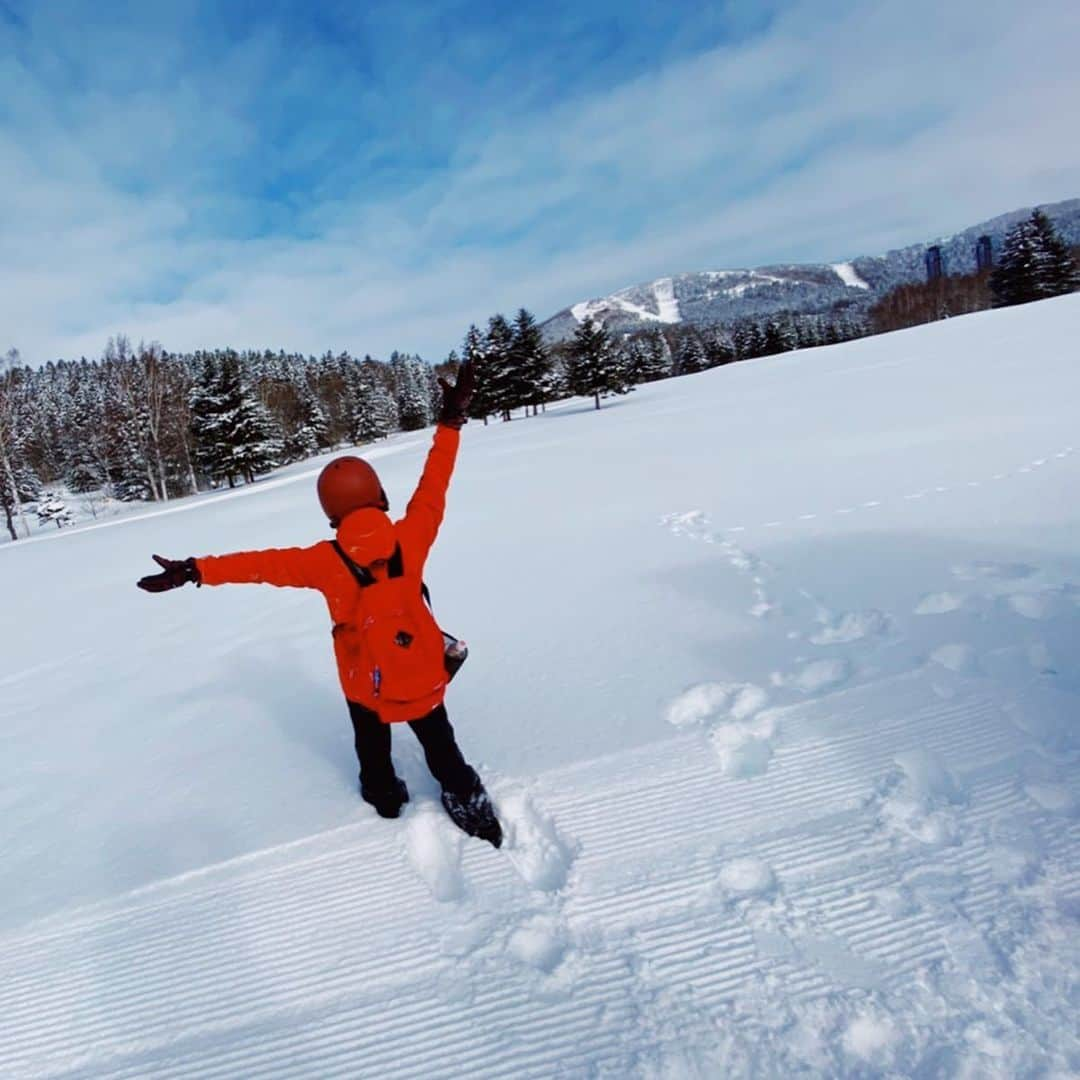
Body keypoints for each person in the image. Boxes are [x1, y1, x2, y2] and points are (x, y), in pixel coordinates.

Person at [136, 361, 501, 847]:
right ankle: (463, 793)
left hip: (362, 682)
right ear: (378, 495)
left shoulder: (322, 562)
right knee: (438, 738)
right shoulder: (411, 538)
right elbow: (434, 485)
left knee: (370, 744)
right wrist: (450, 422)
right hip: (419, 669)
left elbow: (258, 564)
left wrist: (195, 569)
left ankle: (384, 796)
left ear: (330, 511)